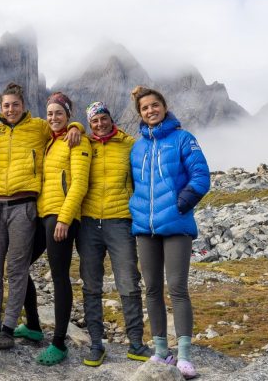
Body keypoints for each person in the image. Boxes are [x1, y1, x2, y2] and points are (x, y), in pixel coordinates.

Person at [0, 82, 81, 350]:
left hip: (24, 206)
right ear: (0, 108)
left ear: (24, 106)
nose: (11, 109)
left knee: (17, 269)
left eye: (15, 105)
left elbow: (62, 125)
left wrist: (77, 127)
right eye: (6, 105)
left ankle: (8, 328)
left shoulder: (39, 127)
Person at [128, 86, 210, 380]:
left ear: (164, 106)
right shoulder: (137, 147)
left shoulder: (183, 139)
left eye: (155, 105)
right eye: (145, 108)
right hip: (144, 228)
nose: (151, 111)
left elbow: (201, 176)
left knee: (177, 288)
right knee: (151, 289)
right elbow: (132, 184)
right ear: (140, 114)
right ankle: (161, 351)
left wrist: (181, 204)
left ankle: (185, 356)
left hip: (176, 226)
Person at [77, 101, 149, 367]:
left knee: (129, 281)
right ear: (89, 123)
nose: (99, 124)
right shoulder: (84, 144)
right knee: (91, 283)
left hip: (120, 221)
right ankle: (96, 344)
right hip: (88, 223)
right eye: (94, 121)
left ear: (110, 117)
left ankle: (136, 344)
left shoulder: (128, 144)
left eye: (103, 118)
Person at [32, 92, 91, 365]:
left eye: (59, 113)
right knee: (18, 265)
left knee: (59, 277)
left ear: (68, 115)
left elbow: (79, 183)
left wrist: (65, 218)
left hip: (61, 216)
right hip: (43, 214)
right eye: (50, 113)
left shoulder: (77, 142)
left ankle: (58, 343)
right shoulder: (50, 142)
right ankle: (33, 326)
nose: (54, 118)